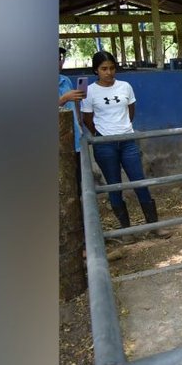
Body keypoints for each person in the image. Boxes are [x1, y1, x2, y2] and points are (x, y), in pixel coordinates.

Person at [80, 50, 169, 244]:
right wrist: (102, 133)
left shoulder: (125, 86)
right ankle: (126, 231)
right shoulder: (90, 91)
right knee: (114, 186)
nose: (109, 72)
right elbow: (87, 119)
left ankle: (154, 227)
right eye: (104, 69)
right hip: (104, 144)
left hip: (128, 140)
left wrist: (123, 128)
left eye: (112, 68)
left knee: (140, 182)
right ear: (96, 70)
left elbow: (131, 110)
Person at [58, 47, 85, 187]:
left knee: (76, 180)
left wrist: (79, 124)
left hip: (74, 138)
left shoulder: (65, 80)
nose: (58, 62)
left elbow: (74, 105)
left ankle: (79, 208)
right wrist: (63, 99)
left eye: (59, 58)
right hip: (58, 143)